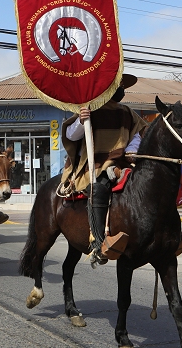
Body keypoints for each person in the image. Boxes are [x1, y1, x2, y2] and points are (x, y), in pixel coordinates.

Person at [61, 74, 148, 267]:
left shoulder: (128, 112)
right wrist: (81, 121)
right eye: (117, 84)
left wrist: (132, 150)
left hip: (124, 164)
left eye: (122, 85)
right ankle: (97, 242)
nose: (121, 89)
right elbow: (71, 135)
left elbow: (135, 137)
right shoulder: (90, 110)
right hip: (96, 165)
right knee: (99, 188)